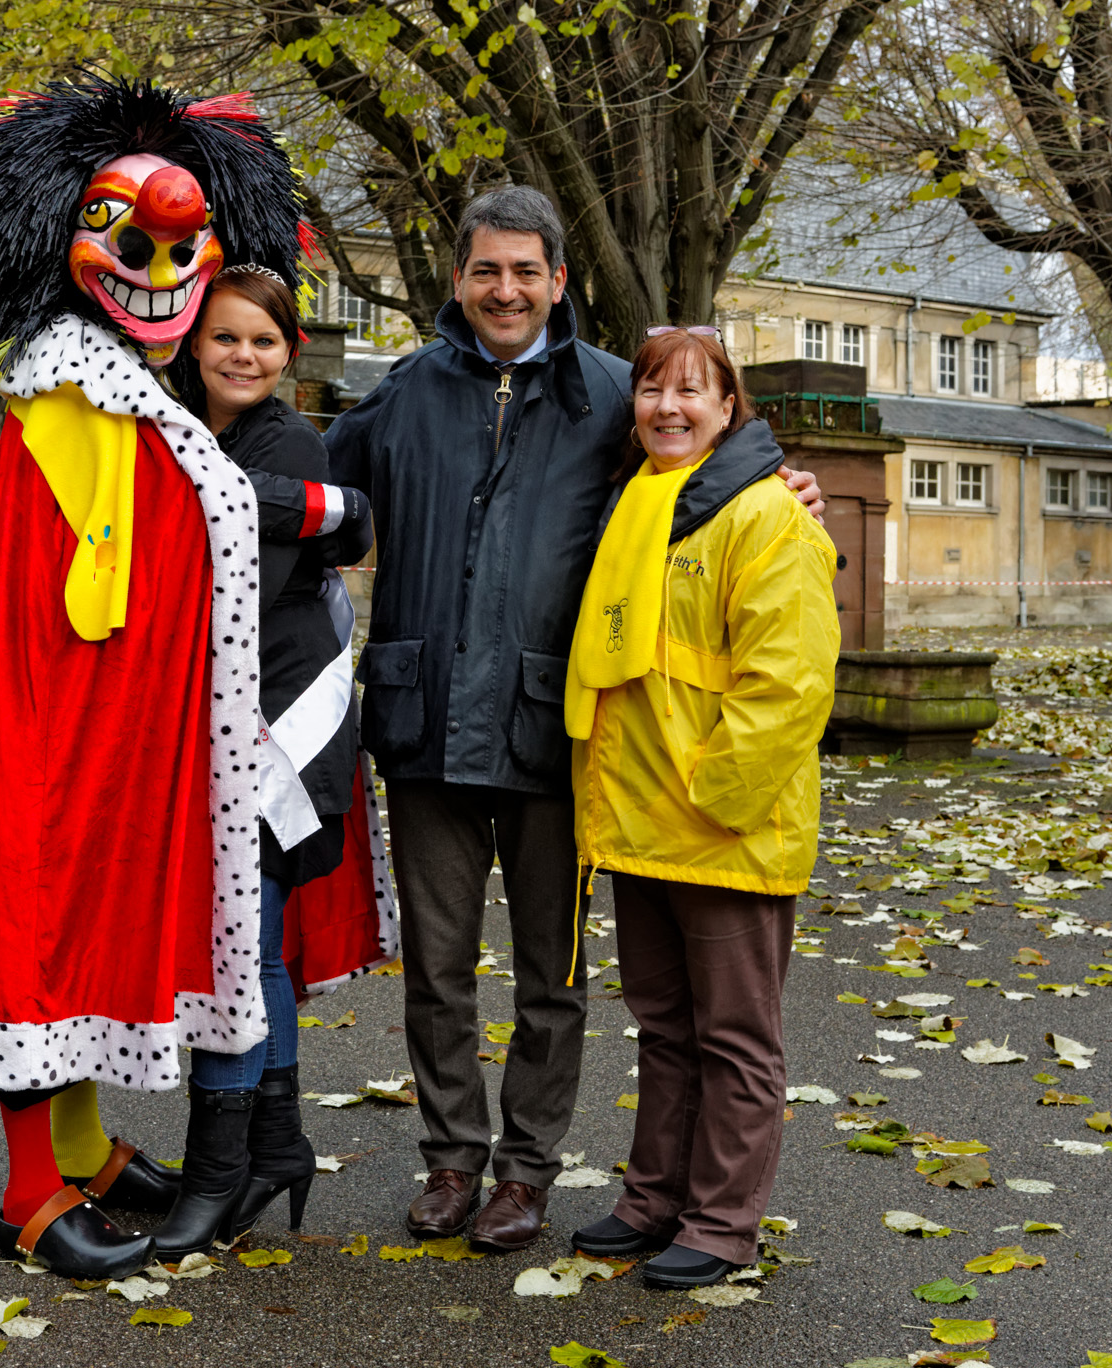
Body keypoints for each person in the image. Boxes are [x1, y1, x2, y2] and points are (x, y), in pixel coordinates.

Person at [0, 78, 383, 1281]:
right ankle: (27, 1196)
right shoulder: (75, 383)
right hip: (56, 724)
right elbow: (181, 522)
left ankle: (90, 1150)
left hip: (108, 721)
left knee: (84, 931)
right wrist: (336, 506)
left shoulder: (125, 383)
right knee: (38, 931)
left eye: (183, 245)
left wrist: (328, 503)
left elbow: (191, 510)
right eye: (129, 238)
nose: (160, 267)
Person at [324, 185, 825, 1253]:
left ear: (557, 279)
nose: (503, 289)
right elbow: (310, 490)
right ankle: (451, 1160)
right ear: (456, 280)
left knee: (552, 976)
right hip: (422, 727)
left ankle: (525, 1173)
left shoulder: (611, 394)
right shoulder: (405, 388)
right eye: (484, 270)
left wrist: (778, 484)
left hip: (557, 734)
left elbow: (698, 465)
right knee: (436, 971)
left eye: (524, 270)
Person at [563, 327, 839, 1290]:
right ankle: (654, 1199)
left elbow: (790, 685)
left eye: (692, 393)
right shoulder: (637, 504)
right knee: (667, 1028)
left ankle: (722, 1224)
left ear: (730, 410)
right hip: (640, 822)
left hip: (722, 828)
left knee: (734, 1038)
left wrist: (714, 799)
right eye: (651, 391)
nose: (668, 409)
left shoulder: (767, 518)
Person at [148, 265, 394, 1258]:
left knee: (239, 951)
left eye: (262, 340)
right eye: (224, 339)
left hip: (279, 739)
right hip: (224, 730)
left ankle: (220, 1175)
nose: (244, 356)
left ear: (289, 352)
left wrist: (209, 496)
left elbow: (227, 576)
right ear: (190, 347)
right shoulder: (203, 439)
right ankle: (274, 1146)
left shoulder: (286, 439)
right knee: (252, 951)